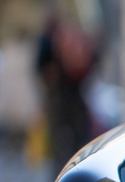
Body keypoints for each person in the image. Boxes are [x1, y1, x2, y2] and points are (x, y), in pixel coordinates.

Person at [36, 11, 96, 169]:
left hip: (58, 96)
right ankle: (79, 165)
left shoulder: (48, 41)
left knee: (58, 137)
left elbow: (39, 66)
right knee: (79, 135)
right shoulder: (73, 40)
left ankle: (61, 169)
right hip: (75, 94)